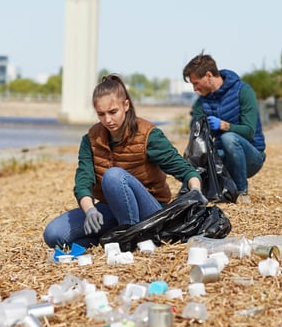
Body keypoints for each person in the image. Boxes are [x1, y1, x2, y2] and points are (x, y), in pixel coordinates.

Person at [43, 74, 202, 248]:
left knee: (113, 176)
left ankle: (129, 239)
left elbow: (185, 170)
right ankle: (113, 239)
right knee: (53, 234)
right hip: (111, 208)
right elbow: (83, 182)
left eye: (113, 112)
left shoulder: (148, 134)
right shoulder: (90, 139)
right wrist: (90, 210)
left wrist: (195, 190)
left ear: (126, 105)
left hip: (149, 211)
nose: (107, 120)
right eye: (101, 114)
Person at [182, 53, 266, 201]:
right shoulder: (201, 103)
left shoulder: (243, 91)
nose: (195, 89)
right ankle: (191, 192)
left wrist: (223, 125)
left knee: (229, 139)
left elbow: (249, 132)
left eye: (196, 83)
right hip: (221, 159)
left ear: (208, 75)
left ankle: (241, 192)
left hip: (251, 157)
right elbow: (196, 137)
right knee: (193, 152)